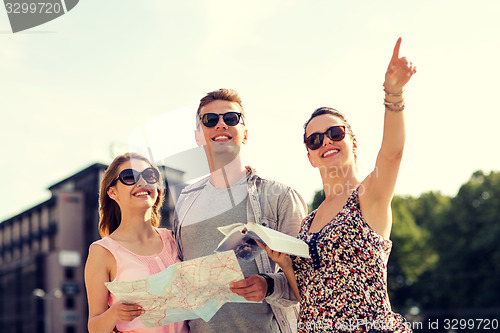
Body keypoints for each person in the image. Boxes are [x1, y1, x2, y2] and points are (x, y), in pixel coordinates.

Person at [260, 38, 417, 333]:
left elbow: (392, 154)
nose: (326, 142)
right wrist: (286, 264)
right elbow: (305, 296)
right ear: (310, 157)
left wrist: (393, 93)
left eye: (334, 133)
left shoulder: (369, 195)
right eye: (315, 140)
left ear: (352, 142)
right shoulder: (307, 223)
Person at [173, 88, 308, 333]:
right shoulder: (185, 200)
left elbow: (308, 283)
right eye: (210, 120)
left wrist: (269, 285)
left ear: (245, 133)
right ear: (198, 137)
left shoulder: (281, 198)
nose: (221, 124)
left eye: (231, 118)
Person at [85, 152, 188, 333]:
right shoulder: (102, 252)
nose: (142, 182)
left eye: (150, 175)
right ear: (112, 192)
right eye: (129, 177)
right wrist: (115, 313)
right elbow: (94, 327)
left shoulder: (175, 239)